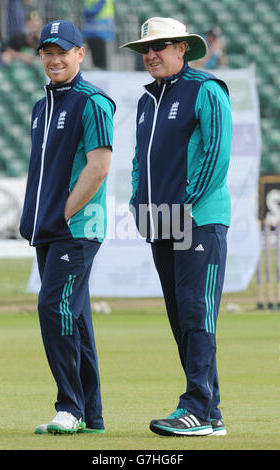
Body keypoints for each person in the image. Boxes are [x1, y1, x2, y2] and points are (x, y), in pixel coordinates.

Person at [121, 17, 232, 436]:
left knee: (195, 312)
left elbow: (217, 154)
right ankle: (211, 412)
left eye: (161, 46)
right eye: (146, 49)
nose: (151, 54)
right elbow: (138, 162)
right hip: (161, 222)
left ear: (182, 48)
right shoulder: (148, 100)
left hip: (198, 220)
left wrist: (183, 205)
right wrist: (139, 203)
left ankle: (197, 408)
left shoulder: (206, 89)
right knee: (182, 318)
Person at [19, 19, 116, 434]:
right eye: (47, 51)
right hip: (49, 228)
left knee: (51, 306)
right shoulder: (43, 106)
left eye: (64, 51)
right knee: (74, 318)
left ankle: (69, 408)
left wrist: (61, 214)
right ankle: (91, 415)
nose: (55, 58)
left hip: (76, 228)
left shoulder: (93, 101)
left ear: (80, 53)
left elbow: (98, 168)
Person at [81, 0, 115, 69]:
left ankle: (101, 69)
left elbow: (95, 10)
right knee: (94, 58)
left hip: (101, 32)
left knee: (101, 60)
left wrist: (88, 13)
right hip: (90, 31)